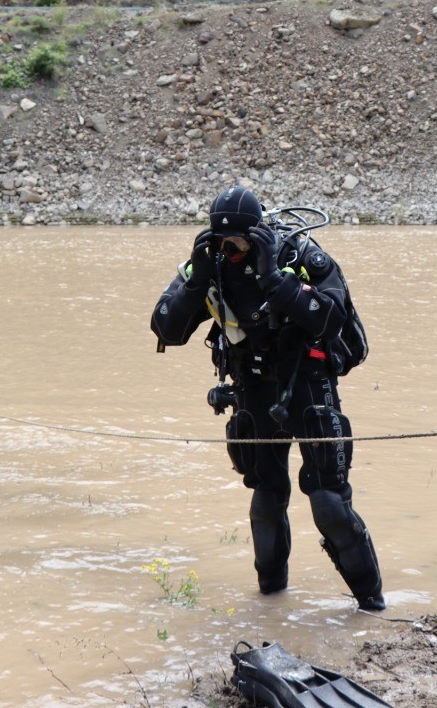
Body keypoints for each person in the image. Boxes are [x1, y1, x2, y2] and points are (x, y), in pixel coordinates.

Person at [150, 187, 384, 611]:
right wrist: (198, 280)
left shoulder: (298, 256)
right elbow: (166, 328)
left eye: (239, 242)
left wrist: (275, 280)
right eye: (223, 243)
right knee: (266, 497)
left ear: (257, 233)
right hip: (253, 391)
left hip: (308, 387)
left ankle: (372, 605)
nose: (231, 251)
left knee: (329, 502)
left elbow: (333, 319)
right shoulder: (210, 268)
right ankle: (271, 605)